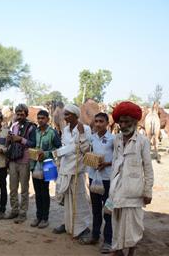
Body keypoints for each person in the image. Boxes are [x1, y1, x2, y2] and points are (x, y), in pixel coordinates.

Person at [109, 101, 154, 256]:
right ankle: (118, 250)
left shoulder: (143, 141)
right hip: (117, 188)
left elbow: (147, 167)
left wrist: (148, 191)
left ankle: (131, 252)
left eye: (126, 121)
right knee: (117, 222)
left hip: (134, 190)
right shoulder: (116, 139)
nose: (123, 124)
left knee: (133, 225)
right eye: (120, 121)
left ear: (134, 122)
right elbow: (115, 162)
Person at [53, 104, 92, 243]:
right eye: (65, 114)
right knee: (67, 199)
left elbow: (86, 149)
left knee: (79, 200)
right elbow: (65, 147)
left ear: (76, 115)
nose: (65, 117)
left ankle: (83, 228)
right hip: (65, 167)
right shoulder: (65, 130)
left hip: (77, 169)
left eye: (68, 114)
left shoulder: (85, 129)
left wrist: (81, 134)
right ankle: (69, 224)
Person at [86, 112, 114, 253]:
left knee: (108, 211)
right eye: (96, 121)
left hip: (107, 179)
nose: (97, 124)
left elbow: (118, 159)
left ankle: (108, 241)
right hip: (93, 177)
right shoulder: (92, 138)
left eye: (101, 121)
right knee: (96, 210)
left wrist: (107, 163)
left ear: (107, 123)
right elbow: (87, 153)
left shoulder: (113, 139)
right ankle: (95, 236)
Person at [5, 103, 36, 224]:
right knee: (12, 188)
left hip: (24, 161)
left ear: (26, 114)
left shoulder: (32, 127)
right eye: (17, 114)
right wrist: (9, 140)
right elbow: (9, 142)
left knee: (24, 188)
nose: (19, 116)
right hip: (13, 159)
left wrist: (20, 139)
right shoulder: (14, 126)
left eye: (21, 113)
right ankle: (14, 210)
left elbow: (33, 143)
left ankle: (23, 213)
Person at [30, 110, 61, 229]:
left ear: (48, 119)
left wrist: (46, 154)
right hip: (34, 166)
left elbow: (59, 149)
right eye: (38, 118)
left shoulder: (52, 133)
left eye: (43, 118)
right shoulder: (35, 132)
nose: (40, 120)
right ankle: (38, 216)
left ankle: (45, 218)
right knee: (37, 192)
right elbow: (31, 145)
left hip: (46, 167)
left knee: (44, 192)